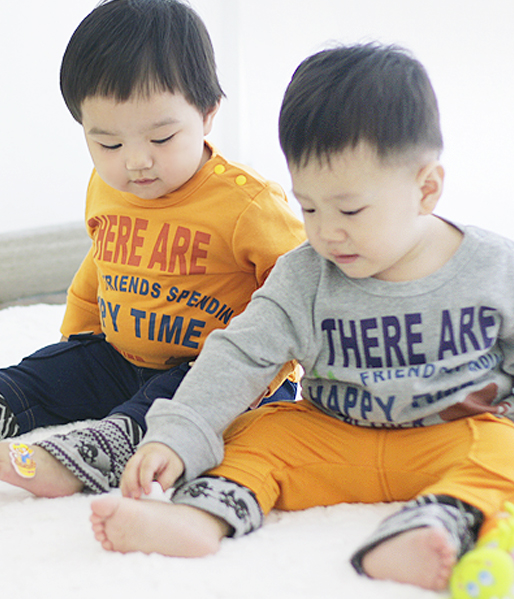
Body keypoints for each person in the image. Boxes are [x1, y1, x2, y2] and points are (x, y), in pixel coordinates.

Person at [90, 43, 514, 592]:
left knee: (508, 451)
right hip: (333, 439)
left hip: (449, 440)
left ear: (426, 189)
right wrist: (178, 435)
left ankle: (430, 527)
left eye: (350, 210)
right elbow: (239, 355)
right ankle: (199, 517)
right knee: (255, 432)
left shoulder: (495, 268)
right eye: (309, 207)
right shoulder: (304, 275)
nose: (327, 232)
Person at [0, 0, 304, 498]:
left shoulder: (248, 205)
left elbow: (303, 289)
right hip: (122, 356)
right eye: (109, 145)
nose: (136, 162)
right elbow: (98, 269)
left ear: (208, 113)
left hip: (216, 373)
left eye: (161, 138)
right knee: (39, 377)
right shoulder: (105, 188)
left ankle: (97, 451)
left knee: (172, 404)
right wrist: (74, 347)